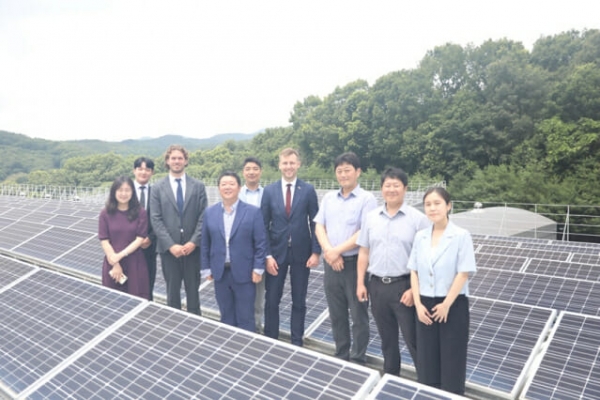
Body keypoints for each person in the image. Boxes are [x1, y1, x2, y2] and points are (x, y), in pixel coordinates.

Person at [356, 167, 430, 376]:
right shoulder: (371, 218)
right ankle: (390, 377)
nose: (391, 189)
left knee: (413, 339)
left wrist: (414, 290)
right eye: (387, 185)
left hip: (405, 286)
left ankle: (426, 381)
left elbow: (426, 259)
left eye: (396, 185)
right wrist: (361, 283)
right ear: (382, 189)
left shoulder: (418, 219)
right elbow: (364, 252)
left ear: (405, 188)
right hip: (377, 286)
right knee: (387, 339)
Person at [408, 187, 476, 395]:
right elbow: (414, 271)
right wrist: (418, 305)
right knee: (427, 362)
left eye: (437, 203)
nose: (432, 208)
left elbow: (463, 273)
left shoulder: (461, 235)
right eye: (428, 204)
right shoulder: (420, 236)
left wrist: (446, 305)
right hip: (425, 306)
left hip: (452, 305)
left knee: (452, 361)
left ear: (448, 206)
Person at [314, 152, 377, 364]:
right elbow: (319, 226)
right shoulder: (329, 198)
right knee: (337, 313)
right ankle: (341, 355)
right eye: (339, 171)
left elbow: (364, 232)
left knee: (358, 315)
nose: (343, 174)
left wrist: (336, 251)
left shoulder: (367, 199)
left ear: (358, 172)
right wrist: (329, 252)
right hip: (331, 264)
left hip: (354, 265)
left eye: (347, 170)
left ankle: (358, 358)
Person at [261, 148, 321, 346]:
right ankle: (271, 338)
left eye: (292, 163)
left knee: (299, 300)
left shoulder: (308, 190)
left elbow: (315, 222)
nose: (288, 167)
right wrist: (267, 255)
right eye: (285, 163)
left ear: (298, 164)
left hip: (301, 253)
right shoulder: (269, 191)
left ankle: (297, 342)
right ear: (279, 165)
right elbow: (263, 225)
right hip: (276, 254)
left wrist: (315, 251)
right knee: (272, 299)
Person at [200, 171, 268, 332]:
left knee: (246, 317)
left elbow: (260, 243)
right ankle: (228, 345)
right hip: (220, 273)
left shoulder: (253, 212)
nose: (227, 187)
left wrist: (258, 268)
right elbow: (205, 243)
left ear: (239, 187)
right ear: (219, 188)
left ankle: (247, 346)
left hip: (245, 273)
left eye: (231, 184)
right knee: (226, 316)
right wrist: (206, 268)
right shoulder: (210, 212)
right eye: (223, 184)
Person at [150, 145, 208, 314]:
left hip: (193, 250)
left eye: (180, 158)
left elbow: (204, 216)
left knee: (193, 293)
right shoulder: (157, 188)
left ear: (186, 161)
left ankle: (196, 323)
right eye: (173, 158)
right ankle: (173, 323)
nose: (177, 161)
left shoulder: (198, 186)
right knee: (172, 293)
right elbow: (156, 219)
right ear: (167, 161)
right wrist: (170, 245)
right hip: (169, 251)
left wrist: (193, 242)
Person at [99, 176, 150, 299]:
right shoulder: (105, 213)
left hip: (135, 263)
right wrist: (115, 263)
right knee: (111, 301)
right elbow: (104, 240)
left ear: (132, 192)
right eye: (120, 190)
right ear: (114, 192)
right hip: (112, 263)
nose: (123, 194)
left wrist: (120, 255)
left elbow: (140, 239)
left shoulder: (141, 213)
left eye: (127, 190)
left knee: (136, 299)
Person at [238, 156, 266, 333]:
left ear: (260, 171)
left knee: (258, 296)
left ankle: (256, 330)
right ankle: (240, 329)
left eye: (255, 169)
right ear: (243, 172)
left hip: (261, 252)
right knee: (240, 295)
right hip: (239, 253)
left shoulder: (268, 194)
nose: (251, 172)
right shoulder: (236, 193)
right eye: (248, 169)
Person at [133, 156, 157, 300]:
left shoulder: (157, 193)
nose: (143, 172)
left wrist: (151, 238)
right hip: (128, 247)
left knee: (147, 286)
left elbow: (160, 218)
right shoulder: (125, 191)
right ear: (134, 171)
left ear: (152, 172)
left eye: (147, 169)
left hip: (149, 247)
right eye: (140, 169)